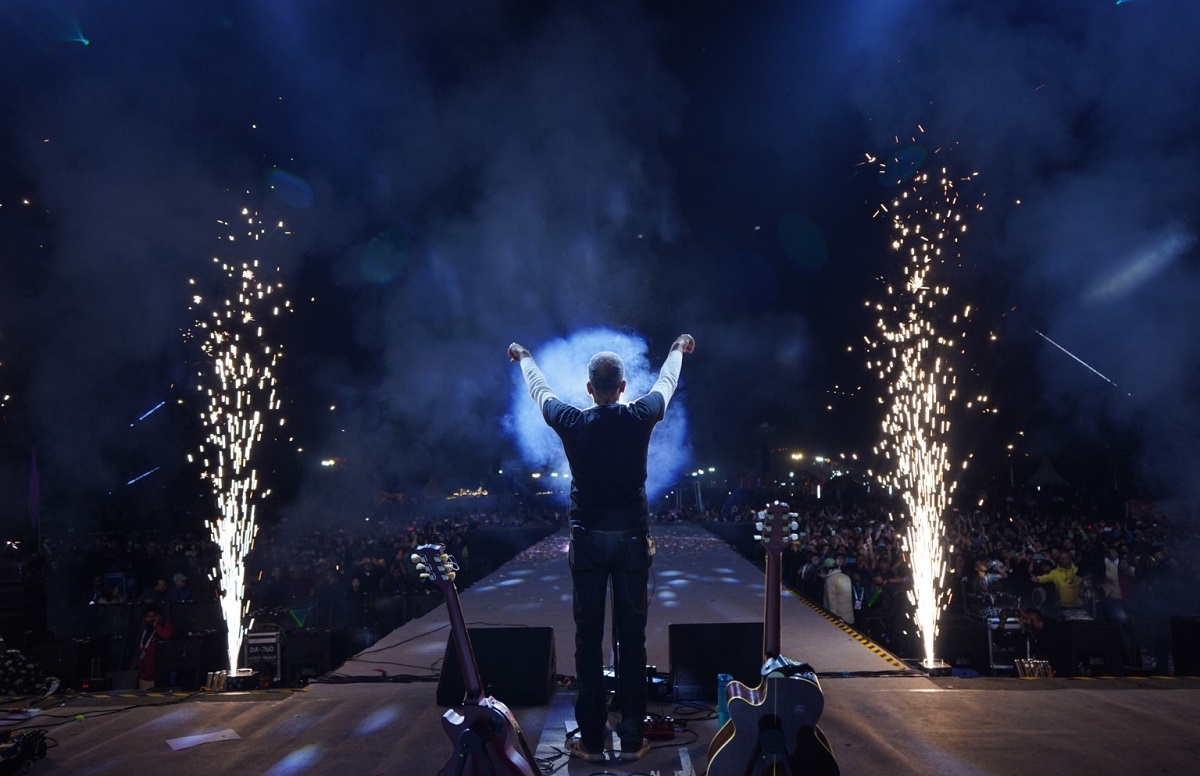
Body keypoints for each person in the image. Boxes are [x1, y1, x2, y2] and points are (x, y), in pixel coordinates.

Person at [509, 333, 695, 763]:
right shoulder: (640, 415)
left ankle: (592, 740)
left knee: (588, 641)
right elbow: (667, 382)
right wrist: (676, 349)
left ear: (589, 388)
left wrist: (525, 357)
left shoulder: (572, 421)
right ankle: (632, 738)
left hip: (588, 542)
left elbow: (540, 391)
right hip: (631, 541)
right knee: (632, 642)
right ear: (624, 386)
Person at [135, 604, 175, 690]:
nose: (152, 619)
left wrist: (156, 625)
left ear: (160, 616)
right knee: (143, 696)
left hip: (159, 675)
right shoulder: (143, 630)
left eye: (155, 616)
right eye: (148, 616)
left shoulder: (166, 626)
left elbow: (166, 635)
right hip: (144, 675)